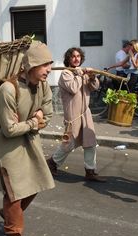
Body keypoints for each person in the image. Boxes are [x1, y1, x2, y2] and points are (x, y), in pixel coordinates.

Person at [0, 41, 55, 236]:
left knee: (35, 183)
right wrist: (35, 121)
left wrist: (37, 118)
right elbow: (9, 129)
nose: (49, 69)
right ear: (32, 65)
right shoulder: (8, 89)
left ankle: (8, 214)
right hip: (5, 148)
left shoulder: (43, 85)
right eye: (45, 65)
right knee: (14, 193)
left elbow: (49, 113)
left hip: (28, 143)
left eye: (50, 64)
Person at [46, 47, 106, 182]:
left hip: (85, 114)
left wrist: (92, 76)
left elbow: (94, 87)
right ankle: (52, 163)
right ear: (68, 59)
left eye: (78, 56)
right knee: (69, 144)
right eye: (73, 56)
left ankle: (90, 171)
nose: (76, 58)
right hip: (73, 115)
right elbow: (73, 88)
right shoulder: (66, 74)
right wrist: (79, 75)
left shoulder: (83, 73)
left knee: (90, 143)